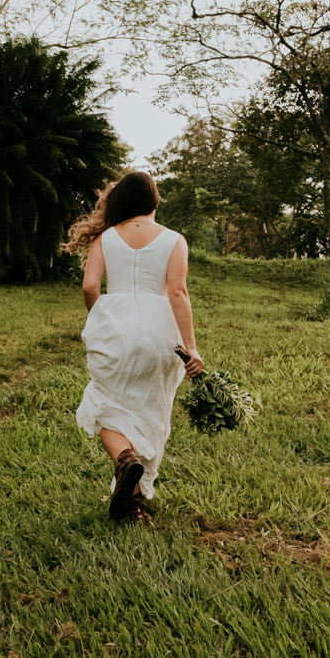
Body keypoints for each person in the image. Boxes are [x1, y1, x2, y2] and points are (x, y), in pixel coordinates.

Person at [65, 171, 203, 523]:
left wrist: (102, 319)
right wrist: (191, 348)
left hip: (115, 326)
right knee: (151, 410)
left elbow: (90, 287)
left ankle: (126, 461)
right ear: (155, 201)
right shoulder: (174, 239)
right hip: (161, 333)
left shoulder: (105, 238)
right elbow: (177, 293)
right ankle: (134, 502)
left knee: (107, 406)